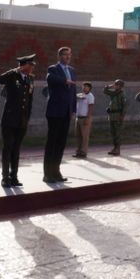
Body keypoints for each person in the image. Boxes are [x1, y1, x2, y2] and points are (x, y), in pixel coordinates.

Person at [0, 54, 35, 188]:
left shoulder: (30, 79)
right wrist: (15, 70)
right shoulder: (13, 76)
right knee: (8, 148)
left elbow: (29, 101)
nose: (32, 67)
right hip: (10, 118)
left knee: (16, 149)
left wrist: (27, 118)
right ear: (23, 65)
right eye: (30, 65)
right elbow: (0, 80)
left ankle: (14, 176)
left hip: (22, 120)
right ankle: (5, 177)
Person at [43, 46, 76, 184]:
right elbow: (51, 79)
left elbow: (73, 92)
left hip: (66, 112)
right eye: (64, 54)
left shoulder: (72, 70)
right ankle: (47, 174)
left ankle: (56, 171)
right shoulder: (53, 69)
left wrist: (73, 110)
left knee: (61, 143)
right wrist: (64, 81)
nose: (67, 57)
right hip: (55, 111)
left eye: (69, 54)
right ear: (59, 56)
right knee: (52, 142)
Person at [103, 79, 126, 156]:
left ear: (121, 86)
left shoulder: (122, 94)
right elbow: (105, 91)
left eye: (117, 85)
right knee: (113, 133)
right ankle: (114, 148)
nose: (115, 86)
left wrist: (122, 116)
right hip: (112, 115)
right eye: (115, 84)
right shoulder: (113, 93)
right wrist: (110, 86)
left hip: (118, 115)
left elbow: (124, 106)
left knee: (117, 133)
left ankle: (117, 149)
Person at [73, 81, 95, 159]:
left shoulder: (90, 96)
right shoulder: (80, 95)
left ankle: (84, 152)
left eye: (86, 87)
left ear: (89, 88)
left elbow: (91, 107)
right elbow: (73, 96)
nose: (84, 88)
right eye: (83, 86)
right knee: (78, 135)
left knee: (84, 136)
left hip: (85, 118)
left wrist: (88, 118)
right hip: (78, 117)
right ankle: (78, 151)